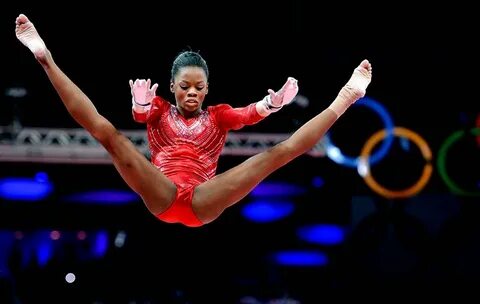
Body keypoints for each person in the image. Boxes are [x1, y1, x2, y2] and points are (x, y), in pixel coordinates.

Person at [15, 13, 372, 228]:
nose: (191, 93)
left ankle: (347, 97)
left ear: (207, 89)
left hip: (203, 198)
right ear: (171, 86)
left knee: (276, 154)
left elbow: (248, 114)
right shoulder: (158, 107)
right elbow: (141, 114)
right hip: (163, 192)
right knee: (108, 134)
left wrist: (271, 103)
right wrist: (140, 104)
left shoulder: (218, 116)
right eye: (184, 86)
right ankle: (45, 58)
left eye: (198, 88)